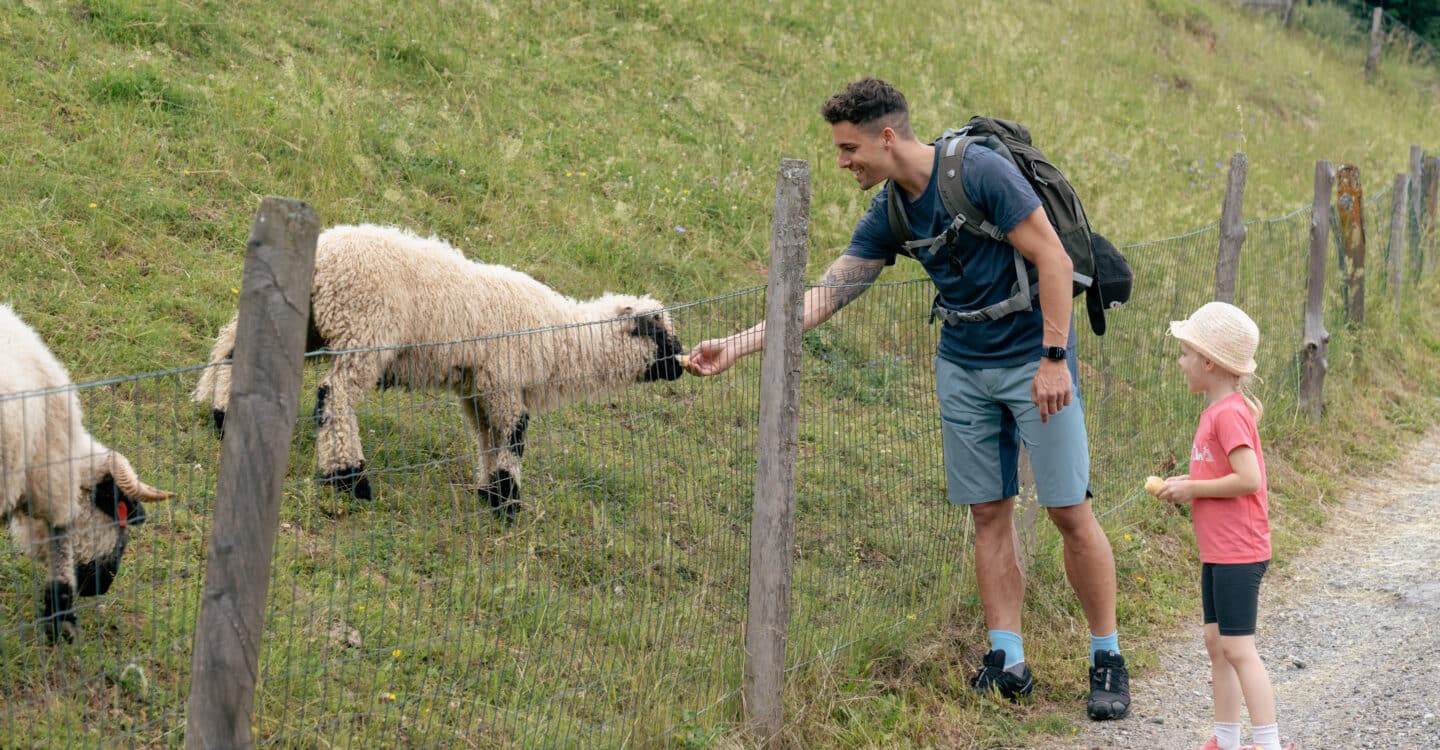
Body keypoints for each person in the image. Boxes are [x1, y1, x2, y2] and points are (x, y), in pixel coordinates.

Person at [684, 77, 1129, 720]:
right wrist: (736, 344)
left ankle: (1107, 658)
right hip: (963, 363)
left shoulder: (977, 173)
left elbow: (1053, 259)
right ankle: (1008, 661)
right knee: (987, 512)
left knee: (1067, 511)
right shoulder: (890, 210)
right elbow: (827, 294)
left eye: (847, 149)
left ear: (886, 137)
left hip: (1035, 359)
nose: (842, 163)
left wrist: (1054, 359)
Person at [1154, 301, 1294, 750]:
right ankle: (1227, 739)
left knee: (1238, 648)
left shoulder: (1229, 413)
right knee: (1217, 644)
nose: (1181, 362)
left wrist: (1193, 489)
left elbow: (1248, 478)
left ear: (1209, 362)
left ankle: (1269, 742)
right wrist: (1187, 482)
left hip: (1239, 551)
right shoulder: (1215, 411)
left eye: (1185, 353)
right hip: (1218, 552)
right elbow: (1217, 474)